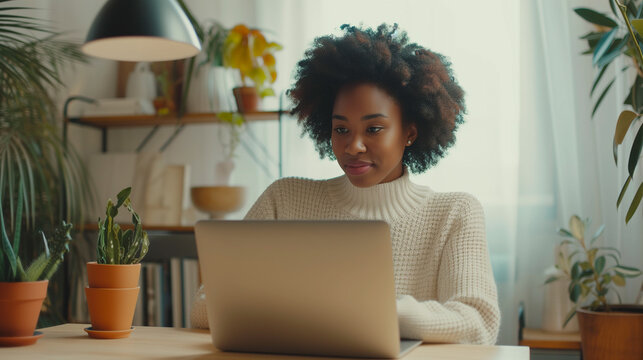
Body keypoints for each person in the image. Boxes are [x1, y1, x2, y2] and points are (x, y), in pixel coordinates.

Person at [191, 23, 500, 345]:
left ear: (410, 131)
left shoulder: (453, 213)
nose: (353, 146)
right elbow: (204, 306)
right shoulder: (283, 199)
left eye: (374, 129)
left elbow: (478, 324)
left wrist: (380, 312)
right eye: (341, 130)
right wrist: (331, 313)